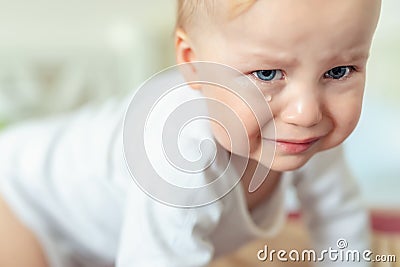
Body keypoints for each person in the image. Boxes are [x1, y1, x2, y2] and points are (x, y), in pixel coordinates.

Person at [0, 0, 381, 266]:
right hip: (21, 202)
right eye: (266, 74)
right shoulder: (179, 154)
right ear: (193, 65)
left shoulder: (306, 130)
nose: (306, 111)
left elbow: (339, 218)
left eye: (338, 72)